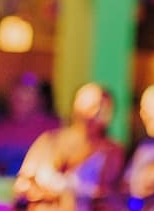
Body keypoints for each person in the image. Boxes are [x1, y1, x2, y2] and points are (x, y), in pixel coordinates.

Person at [12, 81, 125, 210]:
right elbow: (22, 185)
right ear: (75, 107)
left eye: (101, 108)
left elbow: (110, 195)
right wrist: (48, 191)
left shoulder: (112, 151)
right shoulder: (50, 141)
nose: (94, 113)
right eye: (90, 106)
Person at [0, 72, 62, 176]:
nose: (22, 102)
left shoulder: (54, 129)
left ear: (39, 100)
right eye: (18, 98)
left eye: (27, 97)